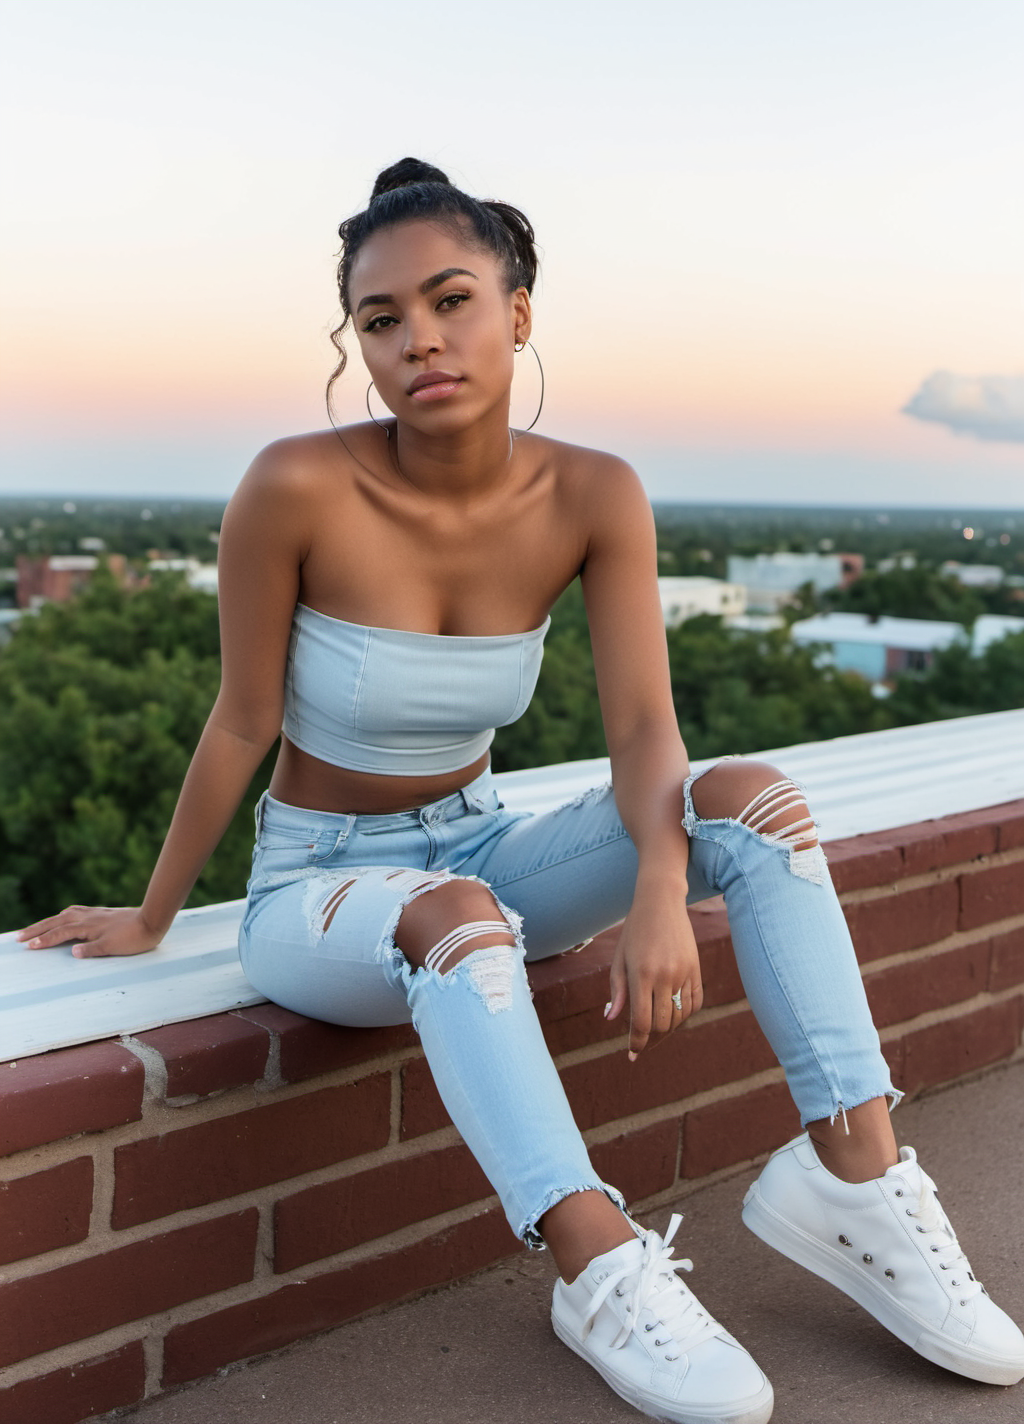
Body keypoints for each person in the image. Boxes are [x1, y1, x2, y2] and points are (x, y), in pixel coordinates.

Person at [18, 158, 1023, 1424]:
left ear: (519, 311)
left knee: (753, 801)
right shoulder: (294, 485)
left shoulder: (592, 491)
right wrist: (156, 915)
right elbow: (241, 720)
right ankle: (597, 1264)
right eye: (381, 320)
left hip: (480, 841)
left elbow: (646, 723)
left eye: (449, 301)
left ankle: (856, 1182)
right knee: (455, 916)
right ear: (358, 345)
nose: (417, 339)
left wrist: (663, 883)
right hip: (321, 882)